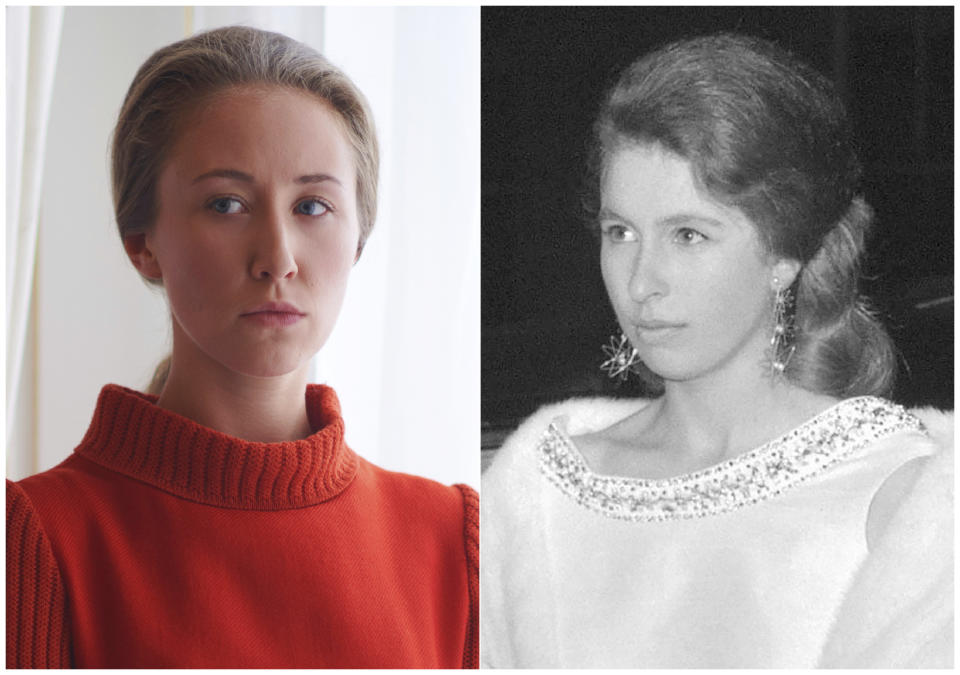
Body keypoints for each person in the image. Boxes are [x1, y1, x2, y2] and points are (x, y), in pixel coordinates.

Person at [7, 26, 477, 669]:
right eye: (226, 204)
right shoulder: (37, 542)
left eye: (313, 206)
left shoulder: (456, 542)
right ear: (141, 239)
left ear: (359, 241)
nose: (278, 258)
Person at [481, 33, 952, 668]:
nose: (641, 281)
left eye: (688, 235)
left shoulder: (906, 496)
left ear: (784, 254)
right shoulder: (537, 483)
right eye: (619, 232)